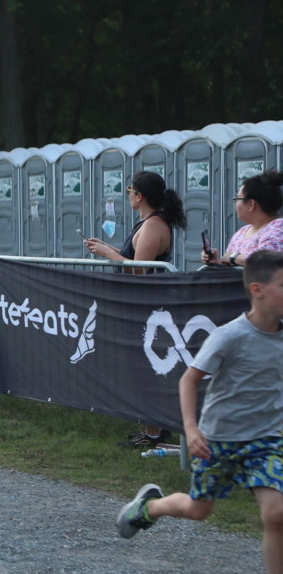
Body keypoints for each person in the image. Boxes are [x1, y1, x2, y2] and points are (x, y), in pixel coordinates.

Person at [117, 250, 283, 574]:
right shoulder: (230, 336)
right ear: (257, 290)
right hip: (219, 439)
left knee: (276, 513)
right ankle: (149, 507)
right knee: (198, 510)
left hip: (268, 440)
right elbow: (188, 380)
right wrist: (191, 430)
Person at [84, 170, 186, 448]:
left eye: (129, 190)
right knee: (141, 368)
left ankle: (154, 432)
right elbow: (132, 258)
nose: (127, 195)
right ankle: (155, 426)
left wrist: (108, 254)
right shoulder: (147, 222)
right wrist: (107, 247)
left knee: (144, 370)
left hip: (147, 307)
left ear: (139, 196)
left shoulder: (154, 225)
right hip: (140, 305)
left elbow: (138, 270)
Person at [202, 170, 283, 268]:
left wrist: (233, 257)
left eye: (237, 199)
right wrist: (216, 263)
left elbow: (265, 262)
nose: (235, 204)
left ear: (251, 204)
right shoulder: (242, 232)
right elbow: (235, 268)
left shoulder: (278, 228)